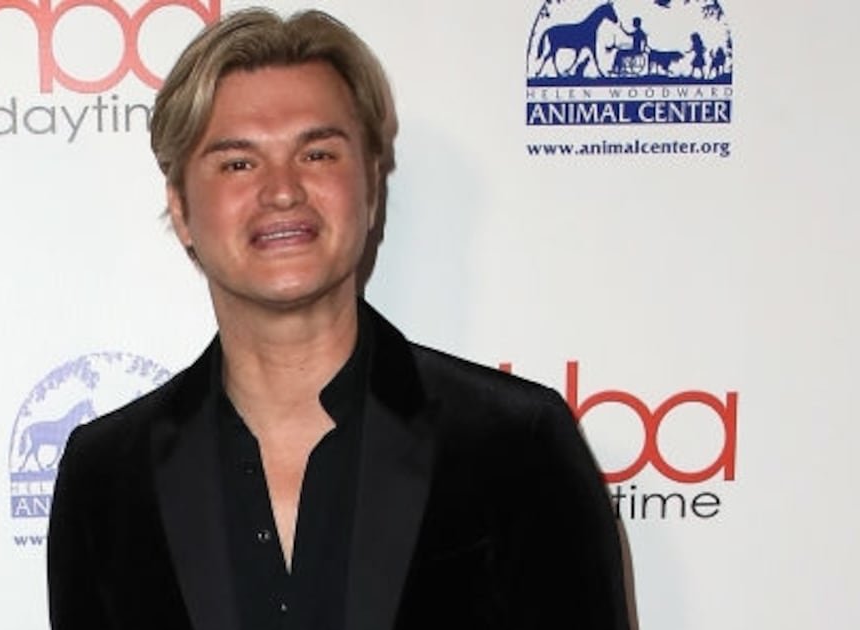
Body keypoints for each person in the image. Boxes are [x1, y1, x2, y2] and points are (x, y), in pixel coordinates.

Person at [47, 7, 630, 630]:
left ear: (371, 187)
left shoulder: (516, 447)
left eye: (318, 154)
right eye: (239, 162)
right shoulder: (106, 476)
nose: (282, 191)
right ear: (183, 210)